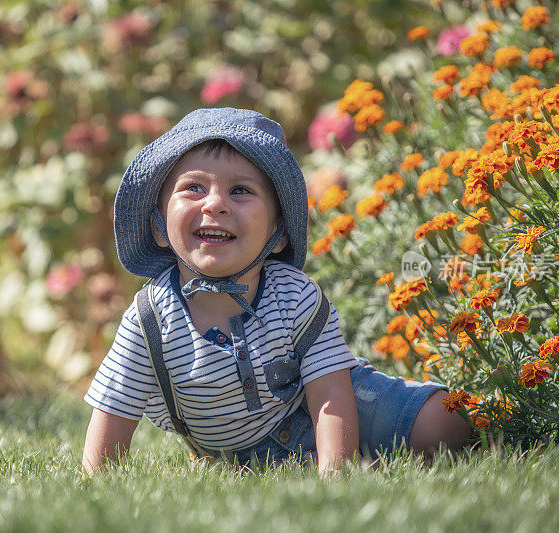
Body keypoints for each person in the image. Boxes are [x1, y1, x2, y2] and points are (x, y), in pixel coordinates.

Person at [81, 108, 471, 476]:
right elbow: (115, 407)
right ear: (158, 227)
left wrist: (338, 474)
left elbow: (330, 391)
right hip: (240, 454)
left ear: (277, 229)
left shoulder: (295, 295)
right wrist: (97, 485)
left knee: (447, 421)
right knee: (289, 466)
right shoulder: (150, 317)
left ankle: (363, 456)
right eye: (194, 187)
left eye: (240, 191)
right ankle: (360, 463)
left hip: (324, 410)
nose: (215, 204)